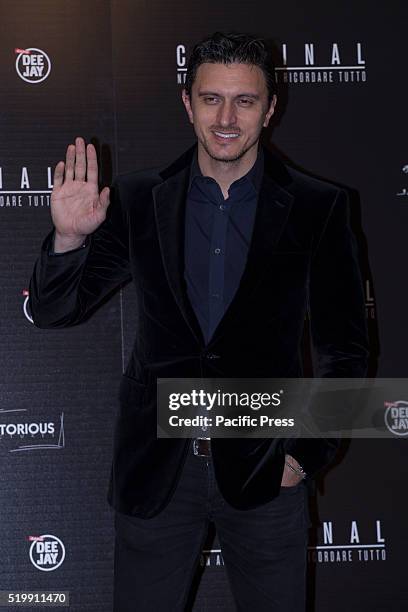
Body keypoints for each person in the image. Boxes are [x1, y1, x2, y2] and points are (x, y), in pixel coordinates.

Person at [29, 31, 369, 612]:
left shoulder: (319, 205)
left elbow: (347, 351)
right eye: (212, 99)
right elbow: (53, 310)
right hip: (158, 473)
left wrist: (303, 456)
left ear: (270, 108)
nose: (228, 117)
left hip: (266, 474)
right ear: (188, 104)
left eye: (245, 100)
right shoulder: (139, 200)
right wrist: (67, 237)